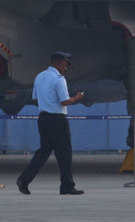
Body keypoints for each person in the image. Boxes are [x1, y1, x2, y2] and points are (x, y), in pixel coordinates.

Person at [16, 51, 85, 196]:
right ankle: (67, 186)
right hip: (58, 119)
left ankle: (24, 180)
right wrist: (77, 97)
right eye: (65, 65)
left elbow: (34, 98)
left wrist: (46, 103)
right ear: (60, 63)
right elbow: (65, 101)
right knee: (64, 153)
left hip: (43, 118)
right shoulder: (59, 79)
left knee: (43, 151)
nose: (66, 68)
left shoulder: (39, 76)